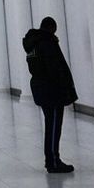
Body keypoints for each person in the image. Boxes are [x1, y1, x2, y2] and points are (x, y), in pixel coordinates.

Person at [22, 16, 77, 173]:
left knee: (51, 125)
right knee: (53, 127)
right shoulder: (46, 43)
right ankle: (53, 161)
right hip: (51, 91)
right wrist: (64, 88)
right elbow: (55, 69)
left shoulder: (33, 44)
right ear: (51, 28)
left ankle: (52, 159)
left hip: (41, 88)